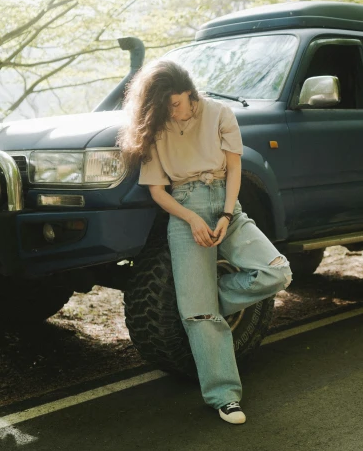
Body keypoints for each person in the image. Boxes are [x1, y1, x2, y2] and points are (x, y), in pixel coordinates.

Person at [117, 59, 293, 425]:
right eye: (166, 107)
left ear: (190, 93)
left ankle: (205, 301)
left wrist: (227, 215)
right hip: (185, 211)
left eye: (178, 104)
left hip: (228, 206)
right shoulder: (156, 125)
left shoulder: (219, 113)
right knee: (199, 316)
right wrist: (192, 219)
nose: (175, 112)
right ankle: (224, 396)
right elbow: (157, 191)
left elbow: (234, 169)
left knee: (277, 273)